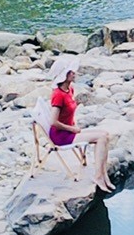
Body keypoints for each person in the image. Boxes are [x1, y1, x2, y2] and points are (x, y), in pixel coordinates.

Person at [32, 56, 114, 192]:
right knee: (100, 138)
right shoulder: (58, 95)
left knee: (105, 134)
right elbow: (53, 121)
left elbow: (68, 113)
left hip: (69, 130)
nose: (74, 73)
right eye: (71, 72)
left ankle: (103, 174)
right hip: (61, 136)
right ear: (64, 75)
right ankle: (98, 176)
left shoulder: (70, 89)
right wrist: (71, 128)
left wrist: (73, 125)